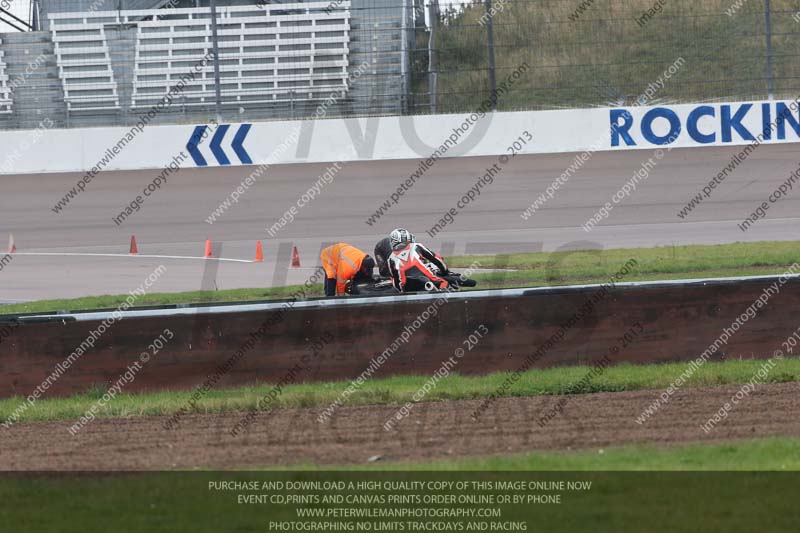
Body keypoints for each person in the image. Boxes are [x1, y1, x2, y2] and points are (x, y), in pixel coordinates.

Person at [386, 228, 450, 293]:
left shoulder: (390, 258)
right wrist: (445, 272)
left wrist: (400, 291)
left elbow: (395, 277)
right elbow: (436, 259)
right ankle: (443, 293)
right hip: (425, 279)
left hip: (406, 286)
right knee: (444, 282)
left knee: (395, 281)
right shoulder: (417, 246)